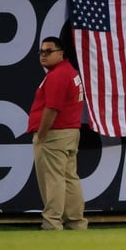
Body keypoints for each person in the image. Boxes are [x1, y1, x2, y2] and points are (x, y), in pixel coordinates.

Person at [28, 37, 88, 231]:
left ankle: (52, 222)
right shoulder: (69, 72)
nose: (43, 55)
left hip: (55, 133)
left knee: (53, 179)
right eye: (41, 52)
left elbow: (52, 108)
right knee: (70, 178)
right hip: (70, 132)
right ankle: (76, 222)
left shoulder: (58, 75)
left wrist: (42, 133)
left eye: (48, 51)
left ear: (61, 53)